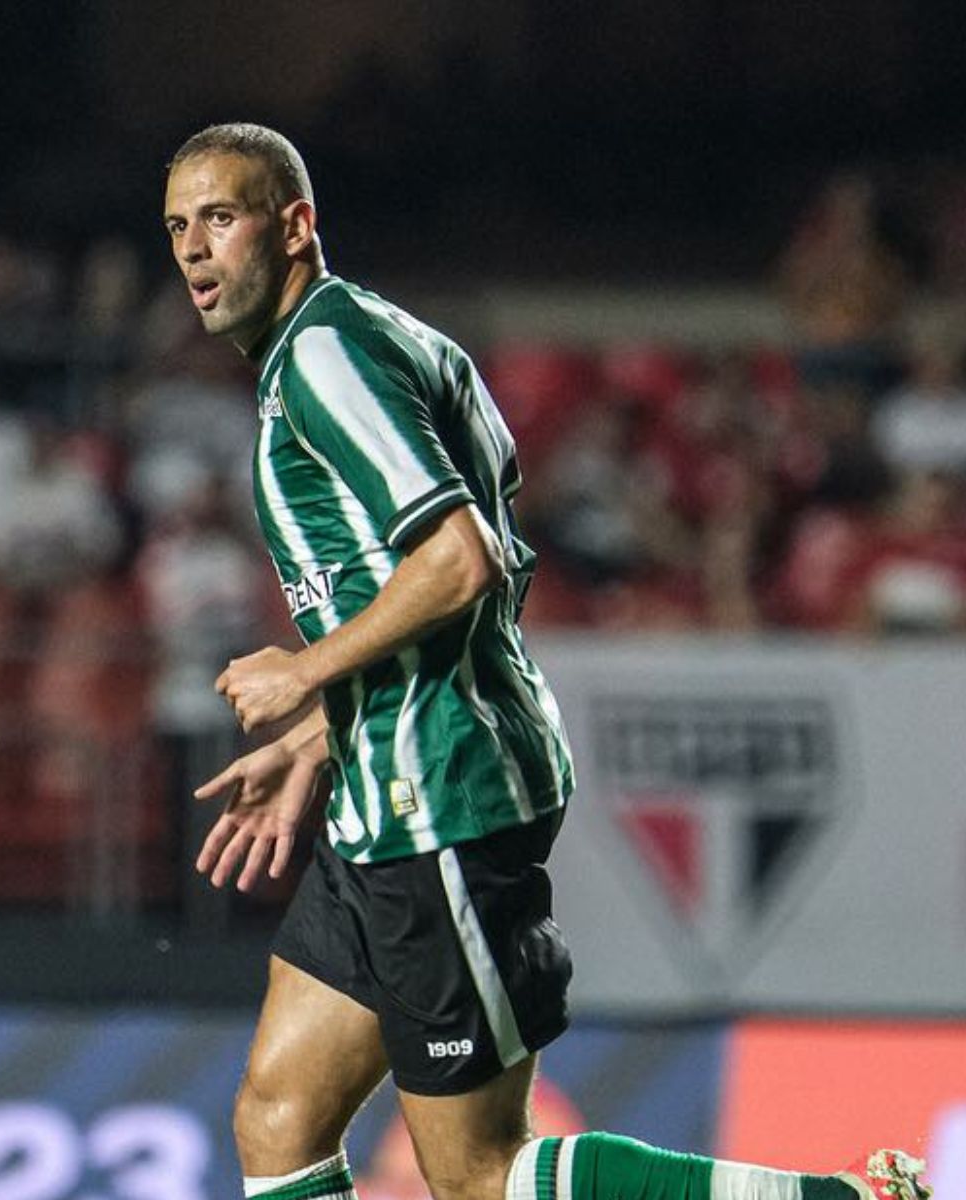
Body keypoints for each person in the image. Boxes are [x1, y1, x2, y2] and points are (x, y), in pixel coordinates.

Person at [162, 123, 931, 1200]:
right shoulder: (384, 339)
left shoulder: (329, 356)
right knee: (278, 1119)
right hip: (384, 783)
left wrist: (307, 670)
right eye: (178, 227)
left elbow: (461, 560)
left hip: (438, 795)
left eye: (222, 217)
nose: (195, 249)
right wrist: (324, 734)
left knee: (479, 1171)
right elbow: (474, 562)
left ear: (295, 225)